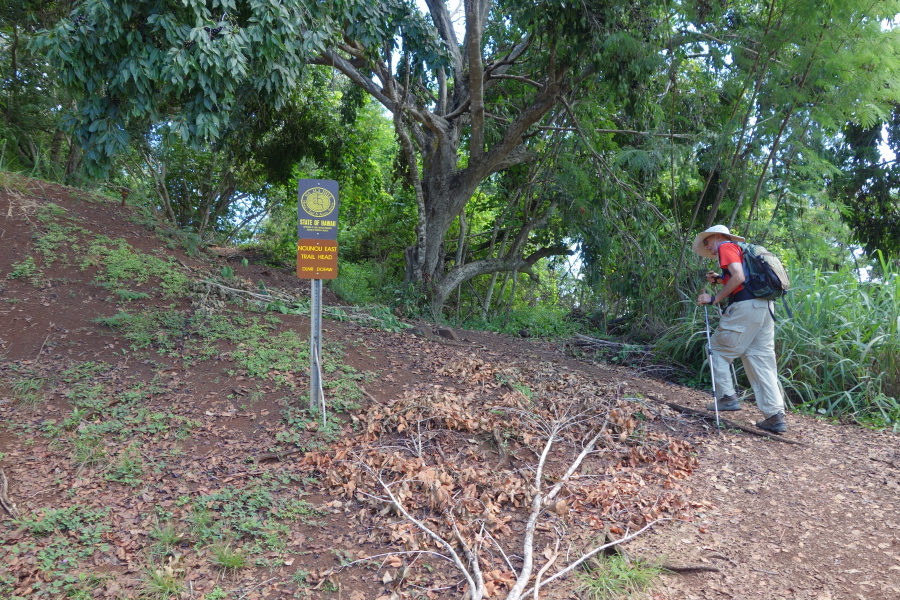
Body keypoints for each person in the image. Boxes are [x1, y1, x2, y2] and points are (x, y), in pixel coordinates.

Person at [691, 225, 787, 433]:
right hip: (765, 307)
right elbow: (742, 278)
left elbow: (739, 277)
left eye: (707, 242)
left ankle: (727, 397)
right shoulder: (742, 250)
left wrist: (714, 298)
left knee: (716, 350)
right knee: (760, 360)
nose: (708, 248)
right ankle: (774, 416)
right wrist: (718, 279)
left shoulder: (726, 246)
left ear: (717, 236)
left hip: (745, 308)